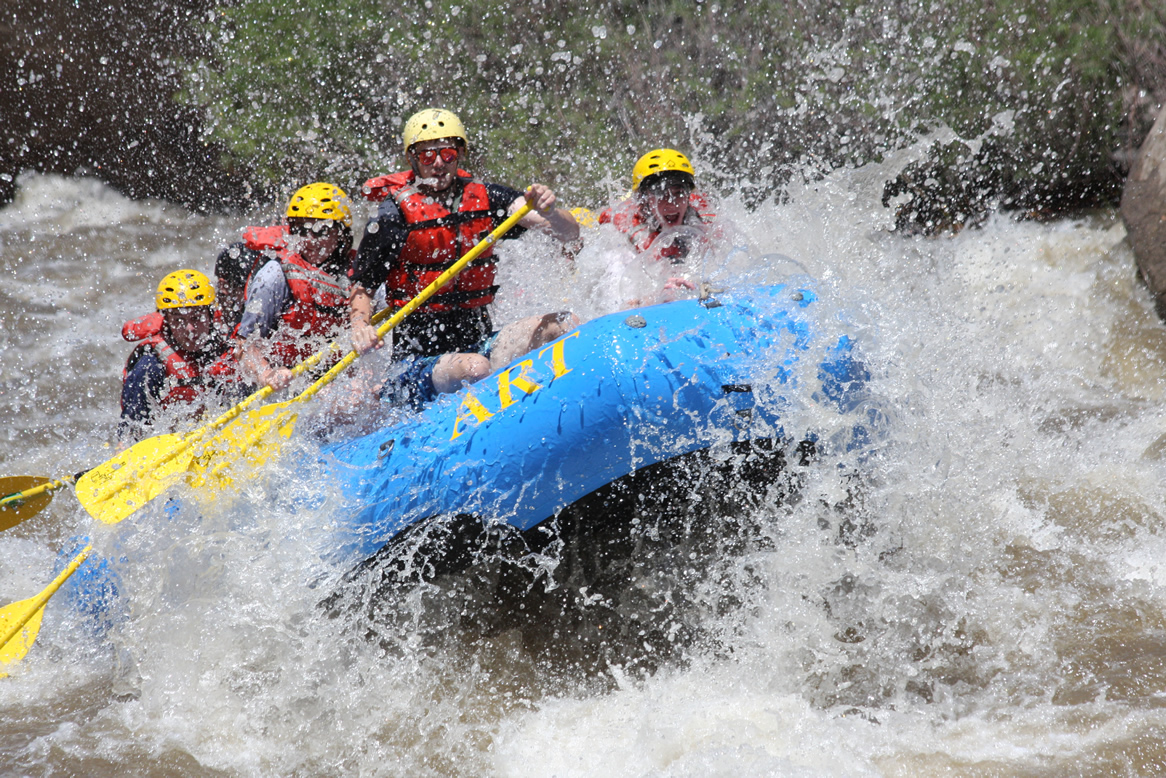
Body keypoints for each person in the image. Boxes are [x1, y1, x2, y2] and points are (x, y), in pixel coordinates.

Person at [349, 108, 581, 405]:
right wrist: (360, 327)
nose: (438, 164)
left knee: (564, 323)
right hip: (419, 359)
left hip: (480, 342)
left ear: (459, 154)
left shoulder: (487, 197)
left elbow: (569, 233)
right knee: (475, 368)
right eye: (426, 156)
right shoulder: (392, 216)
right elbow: (362, 288)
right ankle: (392, 393)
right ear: (412, 160)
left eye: (446, 154)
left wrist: (550, 211)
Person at [234, 182, 355, 392]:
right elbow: (244, 347)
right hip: (282, 380)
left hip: (334, 376)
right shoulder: (274, 275)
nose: (310, 240)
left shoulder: (359, 272)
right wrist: (267, 376)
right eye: (301, 230)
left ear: (342, 234)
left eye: (321, 230)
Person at [119, 269, 238, 439]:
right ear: (166, 322)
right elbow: (130, 433)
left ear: (211, 316)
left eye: (196, 318)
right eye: (178, 320)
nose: (190, 329)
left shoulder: (227, 347)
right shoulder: (151, 363)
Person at [597, 148, 719, 306]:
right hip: (634, 269)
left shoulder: (702, 216)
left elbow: (724, 267)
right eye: (661, 194)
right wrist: (657, 296)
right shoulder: (630, 225)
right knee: (615, 259)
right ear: (644, 200)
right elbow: (629, 301)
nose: (672, 202)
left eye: (678, 193)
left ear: (689, 195)